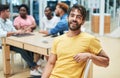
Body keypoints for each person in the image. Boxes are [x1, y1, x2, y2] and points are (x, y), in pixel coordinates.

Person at [41, 4, 109, 78]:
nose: (74, 19)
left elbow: (106, 62)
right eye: (72, 15)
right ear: (67, 18)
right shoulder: (57, 40)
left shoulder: (90, 39)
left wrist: (90, 56)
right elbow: (50, 64)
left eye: (78, 17)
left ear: (83, 21)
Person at [0, 4, 41, 76]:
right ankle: (34, 66)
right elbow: (2, 34)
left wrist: (20, 31)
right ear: (2, 12)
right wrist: (15, 32)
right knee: (22, 49)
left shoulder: (8, 21)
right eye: (8, 11)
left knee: (28, 46)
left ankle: (32, 66)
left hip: (13, 41)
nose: (9, 13)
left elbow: (14, 30)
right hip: (5, 44)